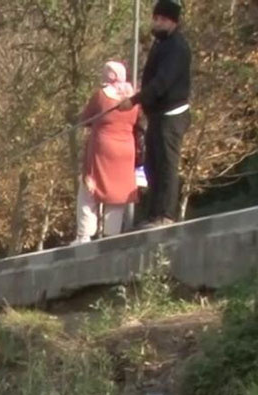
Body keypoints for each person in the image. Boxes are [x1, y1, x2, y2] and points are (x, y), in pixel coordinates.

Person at [121, 1, 191, 227]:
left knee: (166, 165)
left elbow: (162, 82)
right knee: (151, 165)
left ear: (173, 22)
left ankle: (166, 215)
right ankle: (154, 213)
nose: (156, 23)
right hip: (157, 115)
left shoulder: (177, 47)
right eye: (155, 18)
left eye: (161, 19)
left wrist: (133, 100)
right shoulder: (160, 44)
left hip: (172, 114)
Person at [73, 61, 140, 243]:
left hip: (103, 147)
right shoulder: (133, 98)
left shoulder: (101, 96)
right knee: (116, 193)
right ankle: (112, 235)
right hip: (126, 148)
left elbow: (86, 118)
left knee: (89, 189)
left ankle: (85, 234)